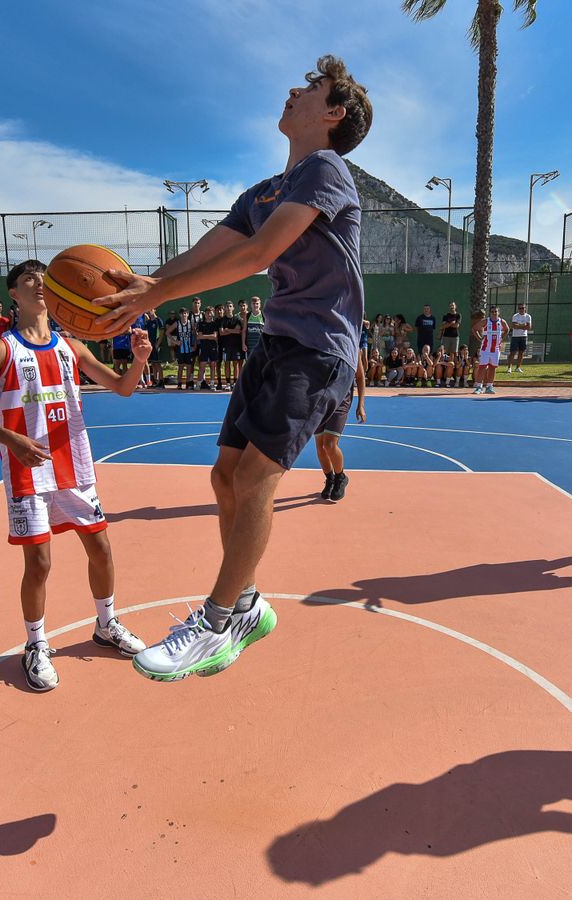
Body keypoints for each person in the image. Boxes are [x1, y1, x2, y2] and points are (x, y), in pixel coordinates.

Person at [93, 54, 371, 681]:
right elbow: (203, 254)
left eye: (313, 86)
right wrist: (138, 290)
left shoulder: (326, 169)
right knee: (224, 477)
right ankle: (245, 604)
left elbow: (258, 254)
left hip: (318, 347)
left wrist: (159, 294)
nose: (295, 89)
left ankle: (217, 622)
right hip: (276, 342)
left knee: (254, 478)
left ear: (333, 113)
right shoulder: (264, 192)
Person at [0, 259, 151, 691]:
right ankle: (35, 644)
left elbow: (122, 387)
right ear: (14, 294)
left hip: (74, 466)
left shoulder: (71, 347)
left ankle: (106, 624)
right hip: (27, 471)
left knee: (101, 549)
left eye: (44, 278)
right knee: (40, 563)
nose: (39, 284)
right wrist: (12, 439)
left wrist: (139, 361)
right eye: (29, 279)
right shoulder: (1, 349)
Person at [315, 344, 368, 501]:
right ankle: (330, 479)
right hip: (320, 401)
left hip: (341, 401)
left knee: (329, 444)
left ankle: (340, 477)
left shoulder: (352, 346)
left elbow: (360, 377)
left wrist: (361, 405)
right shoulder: (319, 342)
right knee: (320, 448)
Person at [472, 304, 506, 394]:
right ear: (490, 313)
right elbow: (474, 329)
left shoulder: (502, 322)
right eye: (492, 312)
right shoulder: (485, 321)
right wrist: (480, 338)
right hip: (485, 349)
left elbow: (507, 329)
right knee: (482, 367)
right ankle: (479, 387)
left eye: (496, 311)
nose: (494, 313)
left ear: (498, 312)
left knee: (492, 368)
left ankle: (489, 386)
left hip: (496, 349)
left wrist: (501, 338)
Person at [218, 301, 245, 386]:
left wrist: (227, 330)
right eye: (227, 306)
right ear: (225, 309)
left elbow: (238, 331)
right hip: (226, 346)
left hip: (236, 346)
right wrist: (233, 330)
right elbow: (221, 333)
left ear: (233, 308)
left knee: (235, 363)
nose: (229, 308)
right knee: (227, 364)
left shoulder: (237, 319)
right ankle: (228, 383)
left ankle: (235, 383)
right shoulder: (222, 320)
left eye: (230, 306)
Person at [171, 307, 198, 389]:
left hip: (189, 349)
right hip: (180, 349)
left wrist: (195, 345)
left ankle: (187, 383)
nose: (184, 315)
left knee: (189, 367)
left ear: (188, 314)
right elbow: (167, 332)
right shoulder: (177, 323)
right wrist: (175, 341)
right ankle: (179, 384)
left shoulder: (191, 323)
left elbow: (195, 334)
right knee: (181, 366)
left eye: (185, 313)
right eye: (182, 314)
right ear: (180, 315)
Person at [506, 302, 532, 374]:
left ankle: (518, 367)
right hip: (515, 337)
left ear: (525, 308)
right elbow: (514, 326)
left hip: (524, 337)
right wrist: (523, 325)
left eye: (522, 308)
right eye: (520, 308)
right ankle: (509, 368)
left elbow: (529, 327)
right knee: (512, 352)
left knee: (521, 352)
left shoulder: (528, 316)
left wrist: (519, 325)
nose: (521, 309)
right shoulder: (515, 316)